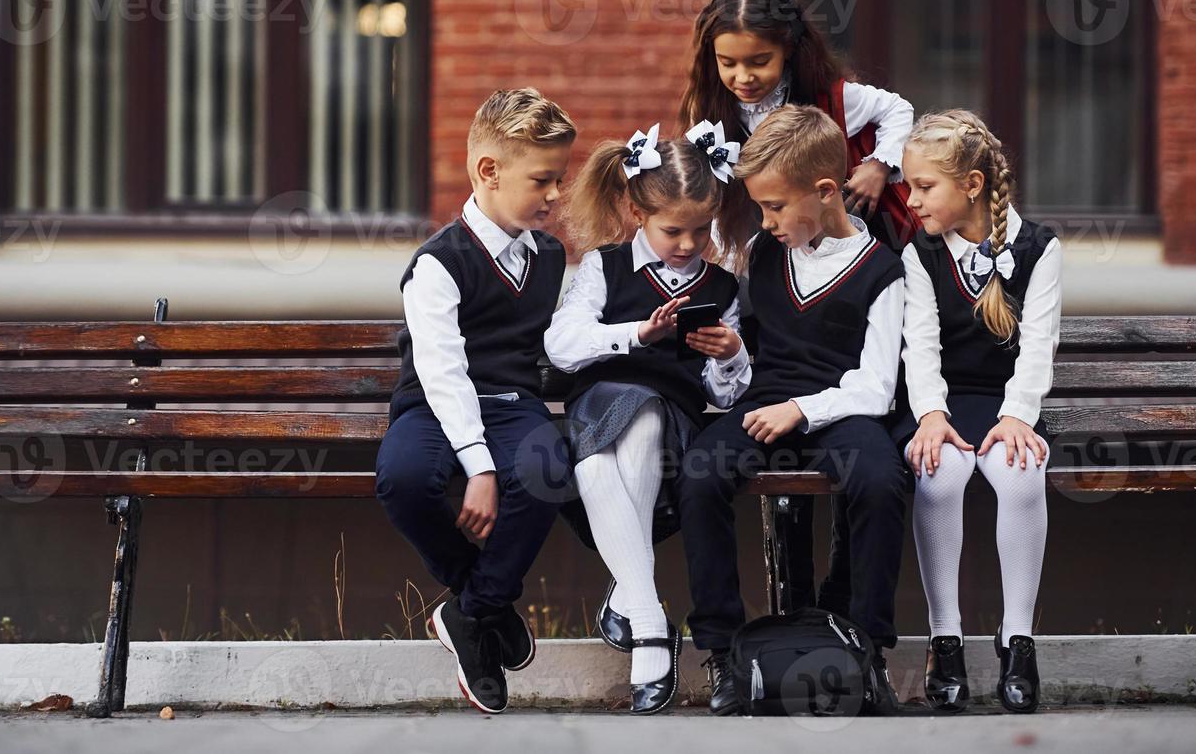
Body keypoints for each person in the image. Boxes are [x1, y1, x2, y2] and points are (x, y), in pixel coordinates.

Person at [678, 104, 909, 717]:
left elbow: (878, 386)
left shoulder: (883, 272)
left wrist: (801, 410)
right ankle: (723, 650)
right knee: (700, 472)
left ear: (826, 191)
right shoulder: (763, 253)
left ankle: (866, 651)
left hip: (845, 410)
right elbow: (750, 352)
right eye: (760, 208)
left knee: (882, 480)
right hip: (762, 403)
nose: (767, 220)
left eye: (776, 206)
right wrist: (732, 359)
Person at [374, 87, 577, 715]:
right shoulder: (438, 262)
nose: (554, 195)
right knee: (404, 479)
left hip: (515, 401)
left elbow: (558, 345)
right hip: (434, 404)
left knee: (547, 469)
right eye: (542, 179)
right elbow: (441, 370)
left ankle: (472, 613)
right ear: (488, 171)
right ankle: (481, 601)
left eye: (559, 179)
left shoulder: (547, 256)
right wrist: (480, 466)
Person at [545, 121, 750, 714]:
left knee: (642, 427)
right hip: (598, 402)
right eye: (672, 230)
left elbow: (727, 397)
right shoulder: (603, 268)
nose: (687, 244)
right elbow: (562, 345)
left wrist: (730, 355)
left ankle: (636, 607)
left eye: (701, 231)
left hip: (675, 417)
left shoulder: (722, 284)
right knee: (609, 450)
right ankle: (650, 615)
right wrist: (637, 333)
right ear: (637, 212)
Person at [893, 109, 1063, 714]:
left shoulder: (1039, 248)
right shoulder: (921, 252)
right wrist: (930, 415)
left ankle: (1019, 639)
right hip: (947, 404)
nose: (910, 199)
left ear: (970, 184)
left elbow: (1038, 343)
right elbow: (921, 345)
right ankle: (947, 639)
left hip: (1009, 403)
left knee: (1020, 482)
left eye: (923, 186)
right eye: (908, 185)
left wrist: (1019, 415)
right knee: (937, 481)